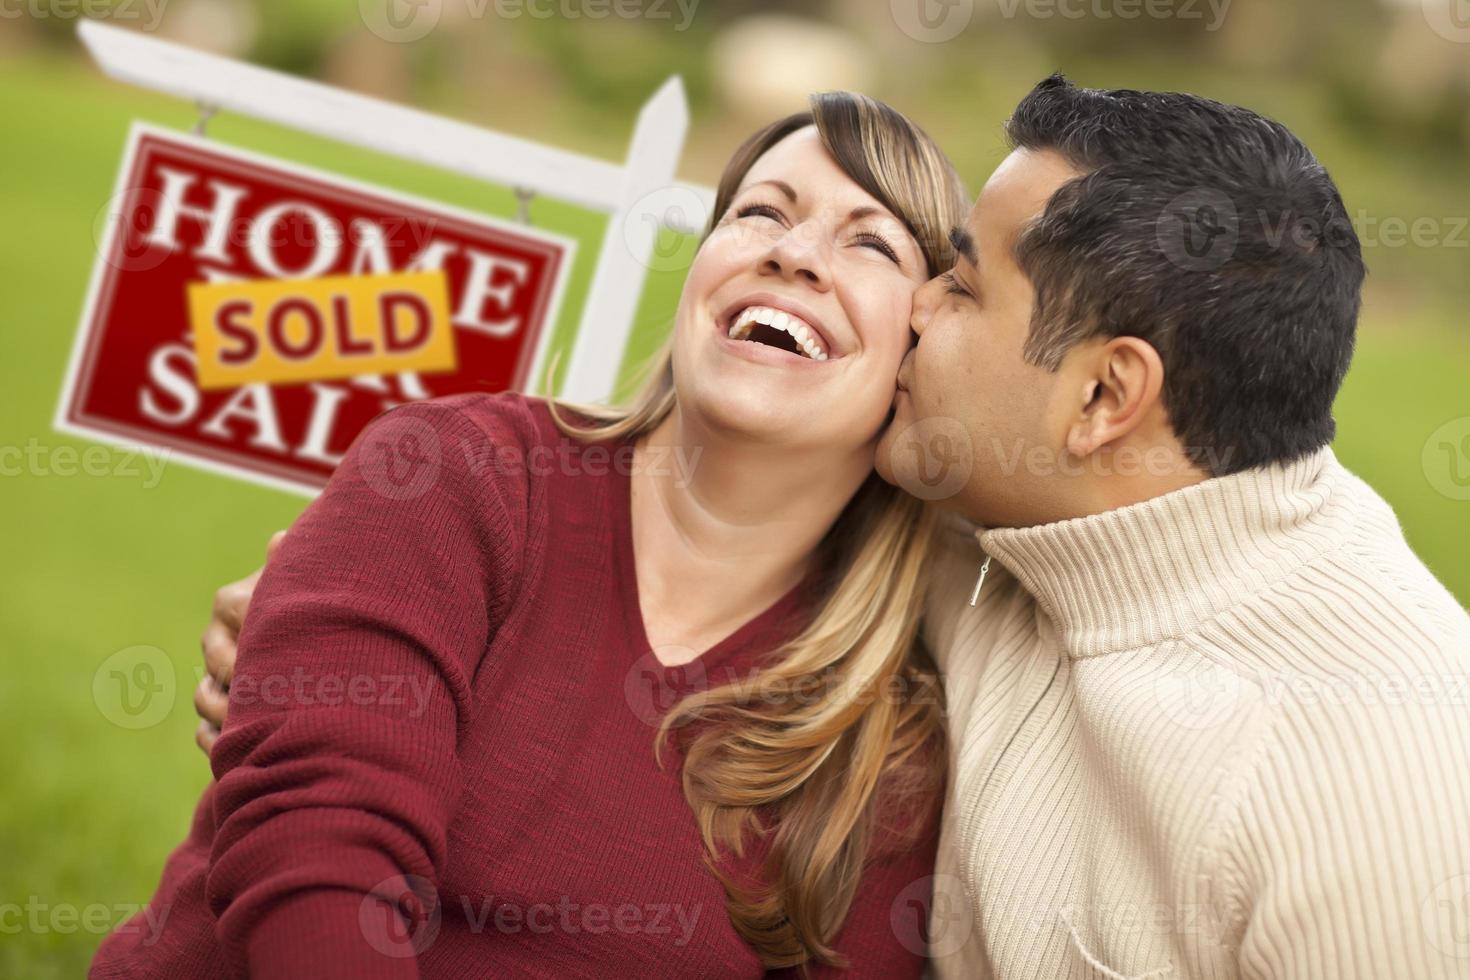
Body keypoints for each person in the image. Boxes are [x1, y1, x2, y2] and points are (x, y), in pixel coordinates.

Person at [90, 91, 969, 979]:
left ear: (922, 356)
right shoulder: (449, 473)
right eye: (758, 213)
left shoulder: (882, 745)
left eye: (869, 242)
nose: (793, 252)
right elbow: (315, 863)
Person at [881, 75, 1470, 978]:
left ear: (1104, 396)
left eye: (962, 287)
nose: (913, 307)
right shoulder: (1009, 528)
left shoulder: (1375, 792)